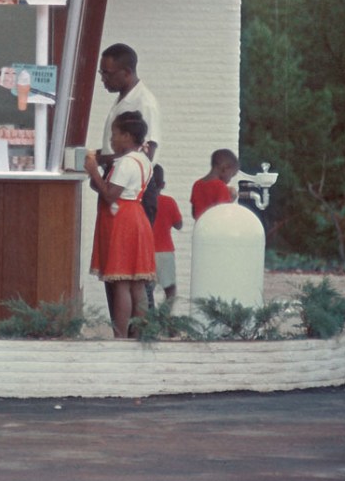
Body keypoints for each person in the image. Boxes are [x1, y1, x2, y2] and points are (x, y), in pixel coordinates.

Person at [84, 111, 157, 339]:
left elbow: (110, 195)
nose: (111, 140)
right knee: (137, 283)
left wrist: (93, 171)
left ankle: (120, 335)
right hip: (136, 216)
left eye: (115, 134)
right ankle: (141, 333)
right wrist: (98, 178)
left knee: (122, 282)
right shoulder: (143, 160)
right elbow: (109, 188)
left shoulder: (126, 163)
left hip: (122, 220)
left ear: (126, 136)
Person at [96, 43, 161, 169]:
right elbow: (116, 150)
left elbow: (146, 155)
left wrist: (100, 160)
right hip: (116, 180)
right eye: (101, 73)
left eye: (107, 73)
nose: (103, 79)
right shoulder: (123, 99)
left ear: (126, 72)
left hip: (131, 186)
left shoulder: (145, 103)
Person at [146, 164, 183, 311]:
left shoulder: (142, 202)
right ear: (163, 184)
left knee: (147, 289)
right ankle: (167, 319)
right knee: (170, 288)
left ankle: (149, 318)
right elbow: (179, 224)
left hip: (146, 251)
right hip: (165, 251)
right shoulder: (169, 202)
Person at [190, 148, 239, 220]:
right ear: (224, 169)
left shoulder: (197, 184)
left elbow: (194, 214)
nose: (230, 179)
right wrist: (231, 199)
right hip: (216, 228)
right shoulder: (221, 187)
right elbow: (224, 213)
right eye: (232, 175)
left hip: (200, 228)